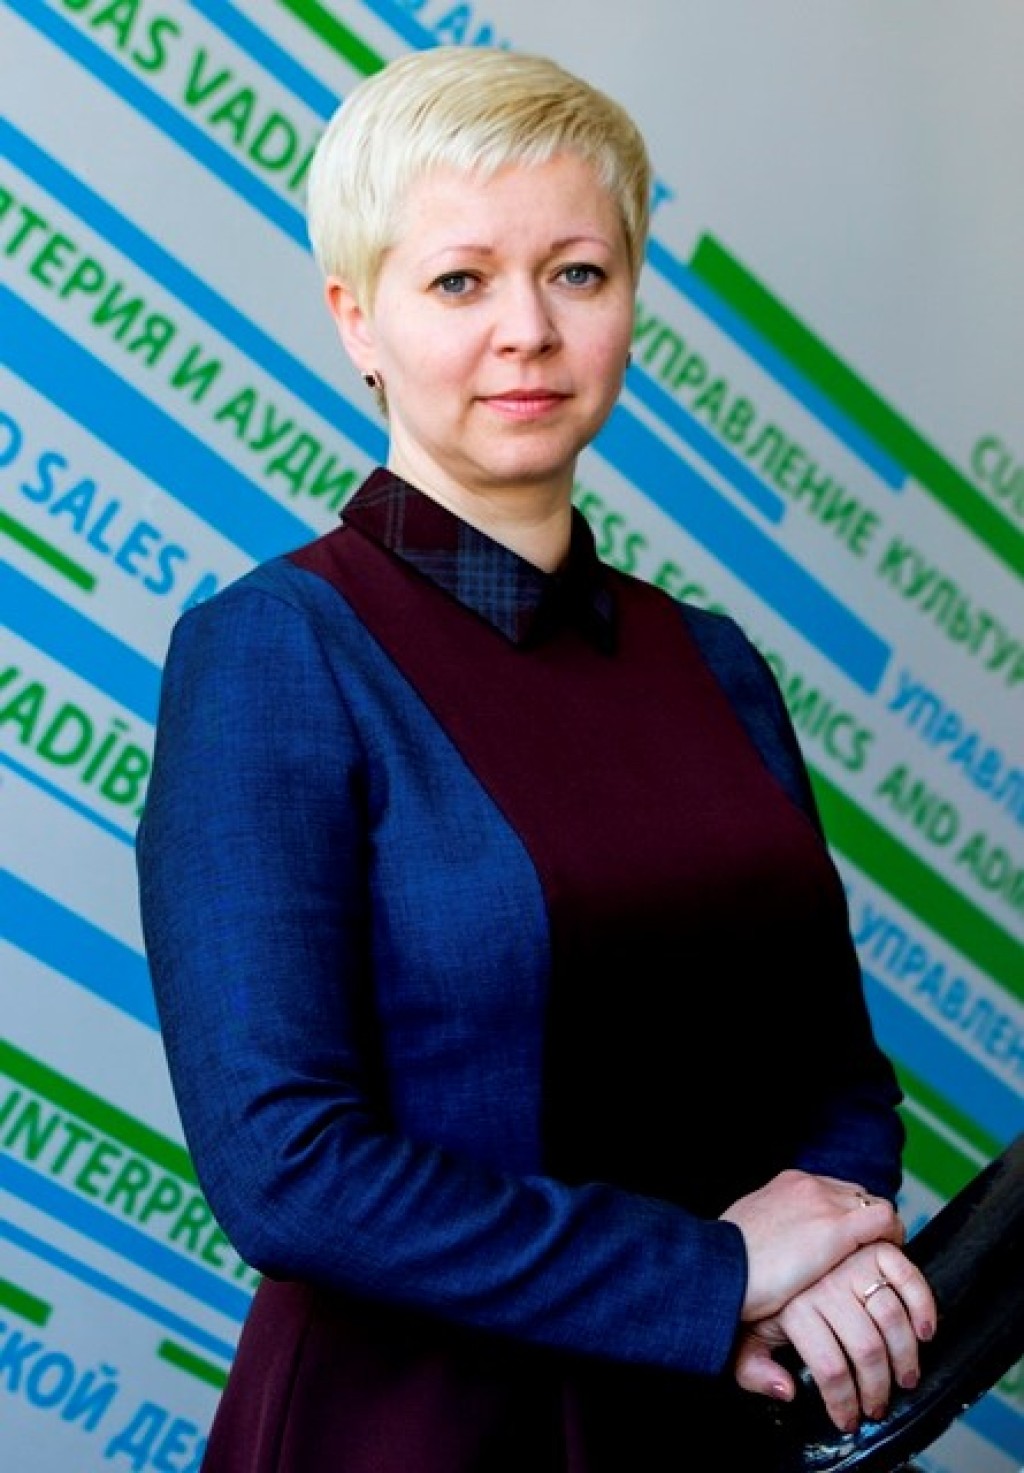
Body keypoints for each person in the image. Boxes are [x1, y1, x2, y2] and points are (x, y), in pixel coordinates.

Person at [136, 44, 937, 1472]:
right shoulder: (275, 651)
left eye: (577, 272)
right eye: (460, 281)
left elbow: (837, 1073)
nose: (529, 331)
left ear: (630, 298)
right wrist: (707, 1276)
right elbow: (284, 1167)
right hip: (418, 1431)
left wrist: (829, 1252)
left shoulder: (713, 661)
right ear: (357, 318)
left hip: (721, 1421)